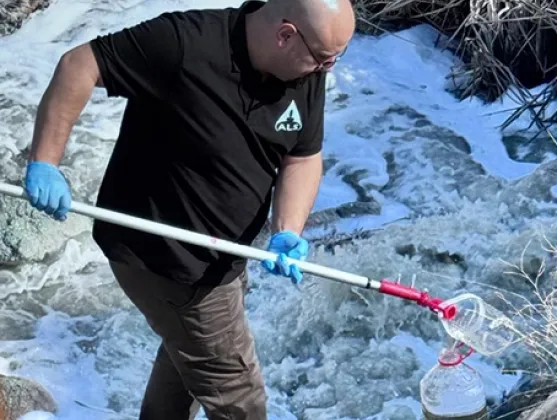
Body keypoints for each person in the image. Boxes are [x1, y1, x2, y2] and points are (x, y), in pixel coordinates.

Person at [22, 0, 356, 418]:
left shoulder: (302, 67)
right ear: (285, 34)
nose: (327, 70)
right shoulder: (184, 43)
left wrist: (288, 229)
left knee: (189, 364)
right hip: (169, 258)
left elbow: (303, 157)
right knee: (240, 398)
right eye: (323, 60)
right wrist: (45, 162)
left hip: (226, 254)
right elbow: (80, 64)